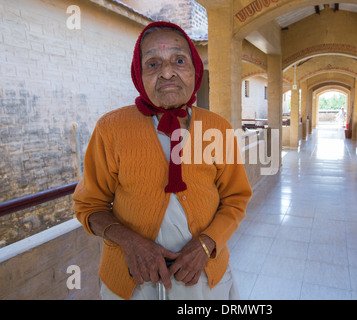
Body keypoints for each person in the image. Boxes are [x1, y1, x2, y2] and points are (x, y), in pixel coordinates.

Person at [72, 21, 252, 300]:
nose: (167, 72)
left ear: (195, 70)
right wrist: (130, 243)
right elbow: (88, 206)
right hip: (130, 285)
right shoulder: (111, 128)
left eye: (179, 60)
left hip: (204, 282)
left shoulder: (218, 128)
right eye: (153, 64)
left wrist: (207, 244)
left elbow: (235, 199)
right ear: (138, 74)